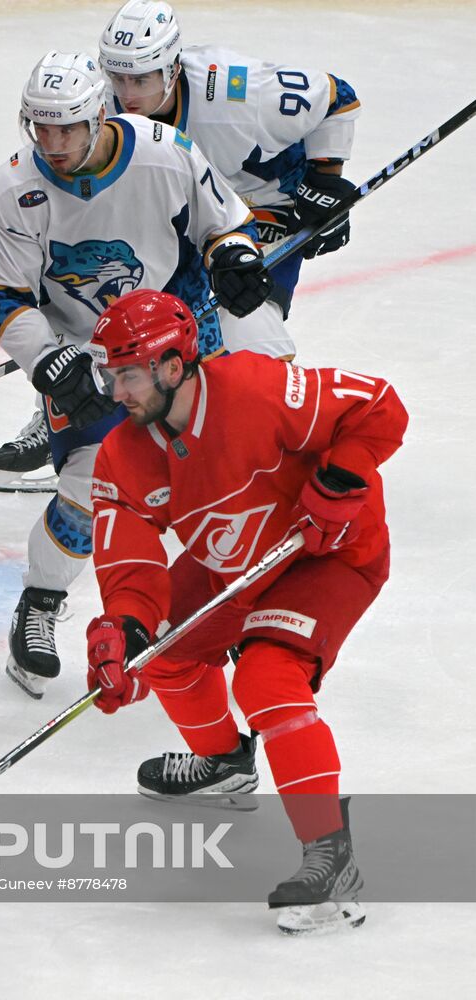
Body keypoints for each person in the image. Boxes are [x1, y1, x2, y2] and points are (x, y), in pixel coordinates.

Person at [82, 288, 406, 935]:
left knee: (265, 678)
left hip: (327, 555)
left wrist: (340, 479)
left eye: (128, 374)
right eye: (110, 374)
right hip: (233, 562)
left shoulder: (256, 391)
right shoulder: (125, 452)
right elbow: (130, 559)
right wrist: (121, 630)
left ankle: (329, 856)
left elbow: (376, 406)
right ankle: (224, 763)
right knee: (161, 652)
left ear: (173, 366)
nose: (116, 391)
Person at [0, 50, 273, 697]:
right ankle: (40, 603)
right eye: (40, 128)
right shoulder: (10, 188)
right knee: (87, 489)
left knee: (224, 471)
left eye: (66, 129)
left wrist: (235, 258)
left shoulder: (166, 154)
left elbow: (223, 223)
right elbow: (3, 295)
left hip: (177, 336)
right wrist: (47, 360)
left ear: (99, 115)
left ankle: (229, 608)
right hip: (85, 355)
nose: (51, 144)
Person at [100, 0, 360, 342]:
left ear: (173, 69)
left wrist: (323, 183)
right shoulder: (97, 106)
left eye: (140, 80)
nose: (126, 94)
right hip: (177, 220)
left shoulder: (235, 90)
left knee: (247, 331)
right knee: (160, 347)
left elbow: (335, 98)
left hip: (259, 207)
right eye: (118, 78)